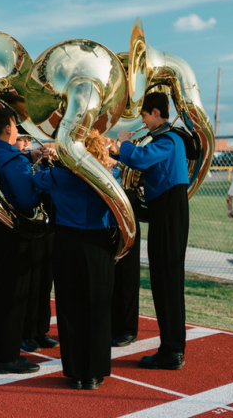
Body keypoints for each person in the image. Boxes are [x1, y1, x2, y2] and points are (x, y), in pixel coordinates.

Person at [33, 129, 116, 390]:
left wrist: (53, 159)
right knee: (98, 308)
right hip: (98, 243)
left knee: (70, 307)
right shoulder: (109, 176)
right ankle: (94, 373)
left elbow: (36, 180)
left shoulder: (57, 175)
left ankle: (75, 371)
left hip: (67, 240)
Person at [117, 91, 189, 370]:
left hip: (169, 214)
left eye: (145, 116)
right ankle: (171, 347)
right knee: (163, 281)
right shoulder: (166, 138)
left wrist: (124, 143)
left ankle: (172, 351)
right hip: (165, 213)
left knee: (167, 283)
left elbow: (139, 159)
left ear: (156, 113)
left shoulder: (169, 139)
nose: (144, 122)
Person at [0, 108, 49, 375]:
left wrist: (31, 155)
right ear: (8, 128)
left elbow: (8, 165)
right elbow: (28, 200)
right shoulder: (15, 162)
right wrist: (42, 180)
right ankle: (7, 357)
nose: (18, 130)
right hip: (10, 236)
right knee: (13, 296)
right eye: (16, 126)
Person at [14, 132, 59, 352]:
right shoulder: (18, 162)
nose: (27, 144)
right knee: (29, 285)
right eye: (21, 140)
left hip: (46, 229)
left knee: (44, 283)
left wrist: (52, 161)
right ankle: (26, 333)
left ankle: (41, 331)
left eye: (29, 141)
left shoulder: (41, 164)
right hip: (27, 230)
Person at [106, 138, 141, 348]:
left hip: (127, 224)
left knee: (127, 277)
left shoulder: (126, 161)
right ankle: (112, 325)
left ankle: (128, 329)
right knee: (109, 278)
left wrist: (116, 161)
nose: (108, 141)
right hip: (106, 225)